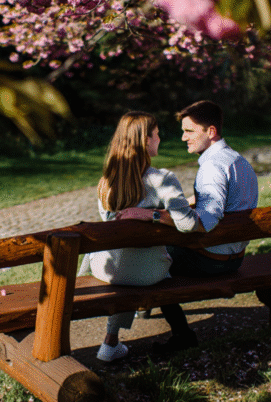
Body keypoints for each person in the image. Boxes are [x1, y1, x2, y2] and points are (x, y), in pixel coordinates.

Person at [117, 100, 259, 354]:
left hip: (214, 259)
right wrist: (191, 201)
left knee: (154, 258)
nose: (183, 138)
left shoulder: (212, 167)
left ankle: (182, 334)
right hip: (235, 255)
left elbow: (204, 222)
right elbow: (223, 203)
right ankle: (147, 310)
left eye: (190, 131)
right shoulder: (237, 160)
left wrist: (151, 215)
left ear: (211, 132)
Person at [78, 111, 200, 362]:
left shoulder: (106, 182)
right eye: (156, 134)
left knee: (128, 264)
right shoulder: (162, 179)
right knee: (154, 264)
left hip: (104, 268)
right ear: (145, 141)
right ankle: (176, 330)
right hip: (146, 274)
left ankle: (110, 343)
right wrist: (153, 215)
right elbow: (187, 224)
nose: (160, 139)